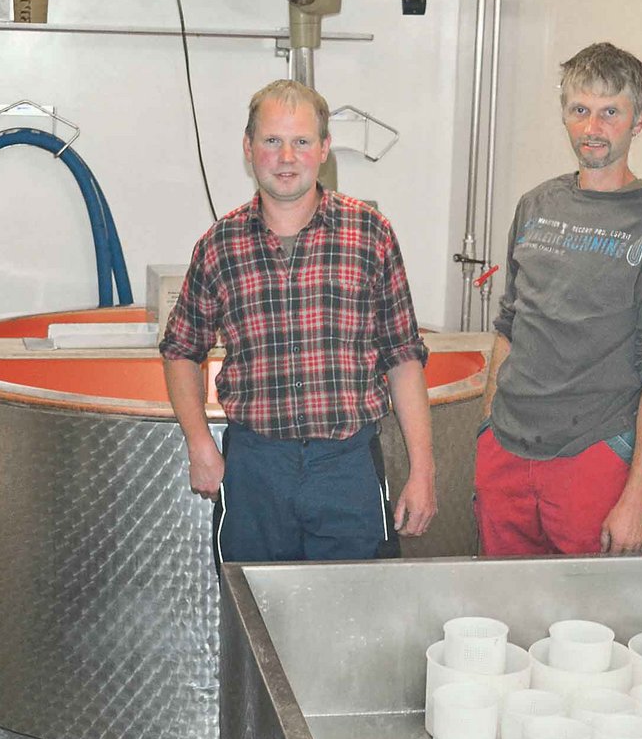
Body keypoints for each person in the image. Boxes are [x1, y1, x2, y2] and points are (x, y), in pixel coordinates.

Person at [160, 79, 436, 564]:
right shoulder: (219, 245)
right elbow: (182, 349)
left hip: (346, 466)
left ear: (324, 149)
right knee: (255, 621)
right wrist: (200, 443)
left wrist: (423, 471)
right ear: (249, 149)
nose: (286, 157)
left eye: (302, 141)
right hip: (255, 469)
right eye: (271, 141)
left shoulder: (370, 235)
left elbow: (403, 357)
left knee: (352, 621)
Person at [476, 43, 642, 557]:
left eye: (609, 112)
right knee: (505, 615)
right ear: (564, 112)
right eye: (580, 110)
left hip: (594, 458)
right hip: (507, 452)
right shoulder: (536, 205)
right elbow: (510, 324)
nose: (592, 128)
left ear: (639, 119)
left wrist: (636, 495)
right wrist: (489, 427)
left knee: (597, 626)